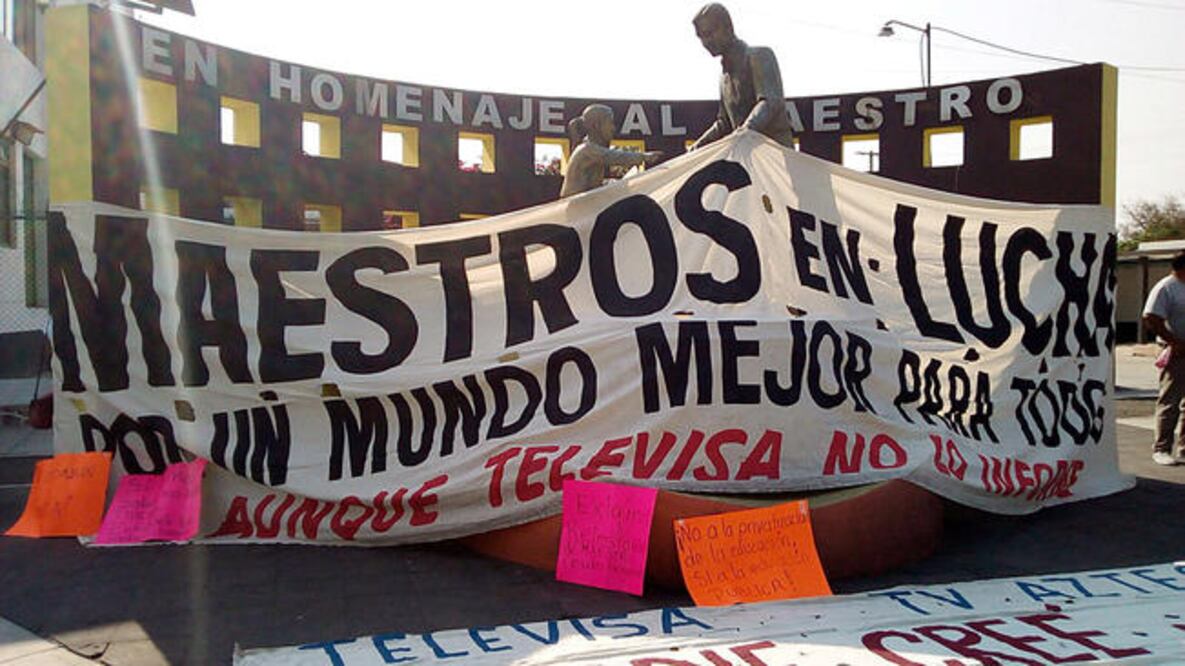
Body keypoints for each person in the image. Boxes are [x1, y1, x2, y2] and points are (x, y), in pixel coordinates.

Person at [687, 3, 795, 151]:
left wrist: (745, 130)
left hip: (777, 157)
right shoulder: (724, 78)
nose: (706, 42)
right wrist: (697, 146)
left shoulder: (760, 56)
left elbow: (769, 102)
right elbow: (724, 123)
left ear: (728, 27)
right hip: (749, 158)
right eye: (701, 37)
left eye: (710, 33)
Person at [559, 104, 662, 198]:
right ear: (597, 126)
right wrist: (644, 157)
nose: (613, 128)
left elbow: (593, 184)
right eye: (610, 123)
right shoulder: (587, 150)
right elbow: (615, 157)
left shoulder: (589, 148)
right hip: (576, 209)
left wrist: (613, 183)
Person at [1142, 250, 1185, 466]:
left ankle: (1184, 449)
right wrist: (1173, 340)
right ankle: (1161, 448)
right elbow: (1150, 316)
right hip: (1177, 352)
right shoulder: (1166, 287)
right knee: (1170, 401)